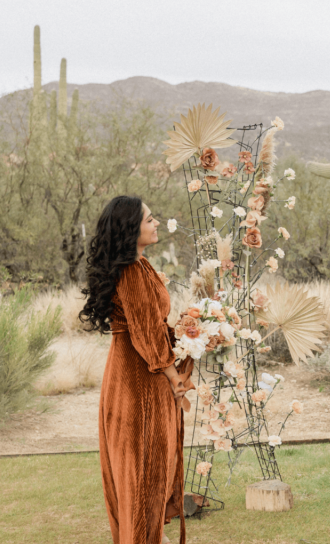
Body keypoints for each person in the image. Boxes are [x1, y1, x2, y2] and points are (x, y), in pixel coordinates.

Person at [80, 196, 193, 544]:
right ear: (131, 229)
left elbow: (151, 327)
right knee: (142, 482)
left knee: (146, 482)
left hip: (136, 377)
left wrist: (191, 333)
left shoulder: (140, 267)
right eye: (149, 219)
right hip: (138, 385)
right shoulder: (131, 270)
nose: (156, 222)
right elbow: (146, 336)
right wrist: (175, 378)